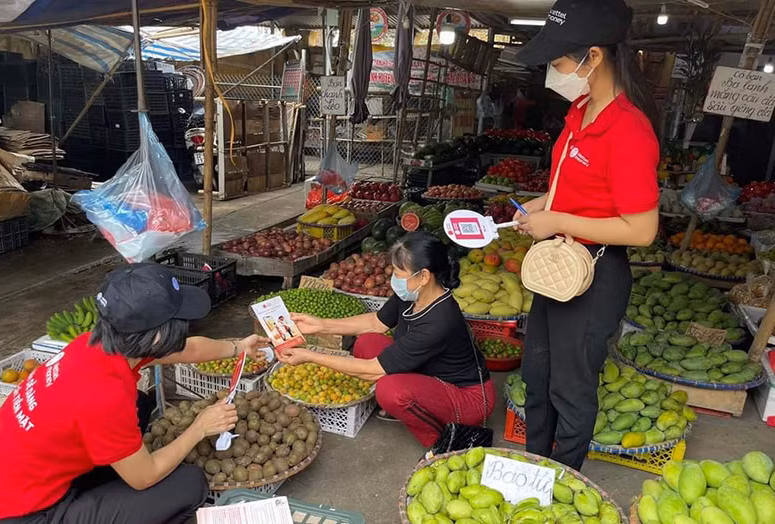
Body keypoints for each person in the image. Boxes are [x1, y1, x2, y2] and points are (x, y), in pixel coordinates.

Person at [0, 263, 269, 524]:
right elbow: (144, 477)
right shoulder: (104, 394)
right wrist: (199, 428)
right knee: (189, 484)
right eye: (179, 322)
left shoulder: (97, 344)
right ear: (155, 336)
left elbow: (186, 349)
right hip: (22, 515)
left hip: (14, 483)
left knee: (140, 405)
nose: (185, 327)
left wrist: (236, 347)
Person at [513, 0, 660, 470]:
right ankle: (534, 469)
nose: (552, 73)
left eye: (558, 61)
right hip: (557, 268)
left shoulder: (629, 130)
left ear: (592, 57)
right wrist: (540, 207)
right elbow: (573, 189)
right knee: (538, 376)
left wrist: (558, 223)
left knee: (571, 389)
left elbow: (642, 229)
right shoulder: (579, 111)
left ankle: (563, 480)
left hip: (595, 276)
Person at [276, 232, 494, 447]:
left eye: (399, 273)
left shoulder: (440, 320)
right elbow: (375, 323)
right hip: (428, 372)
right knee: (367, 341)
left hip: (467, 397)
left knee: (390, 390)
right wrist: (321, 325)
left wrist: (309, 355)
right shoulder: (412, 295)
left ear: (424, 276)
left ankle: (441, 441)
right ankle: (413, 402)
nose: (394, 279)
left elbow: (371, 369)